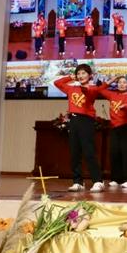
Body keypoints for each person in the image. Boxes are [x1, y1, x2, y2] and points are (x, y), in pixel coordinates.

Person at [54, 64, 108, 192]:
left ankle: (98, 181)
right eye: (78, 74)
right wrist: (70, 77)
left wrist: (84, 85)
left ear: (90, 75)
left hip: (86, 121)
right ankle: (78, 182)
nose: (80, 76)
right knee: (75, 152)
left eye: (83, 73)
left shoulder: (93, 88)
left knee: (89, 151)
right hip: (73, 120)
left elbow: (91, 92)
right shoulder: (71, 89)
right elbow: (57, 82)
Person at [99, 76, 127, 188]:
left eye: (124, 82)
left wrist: (124, 106)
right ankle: (116, 179)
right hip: (114, 127)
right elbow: (100, 90)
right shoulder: (112, 95)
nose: (121, 84)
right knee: (115, 153)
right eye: (119, 82)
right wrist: (110, 81)